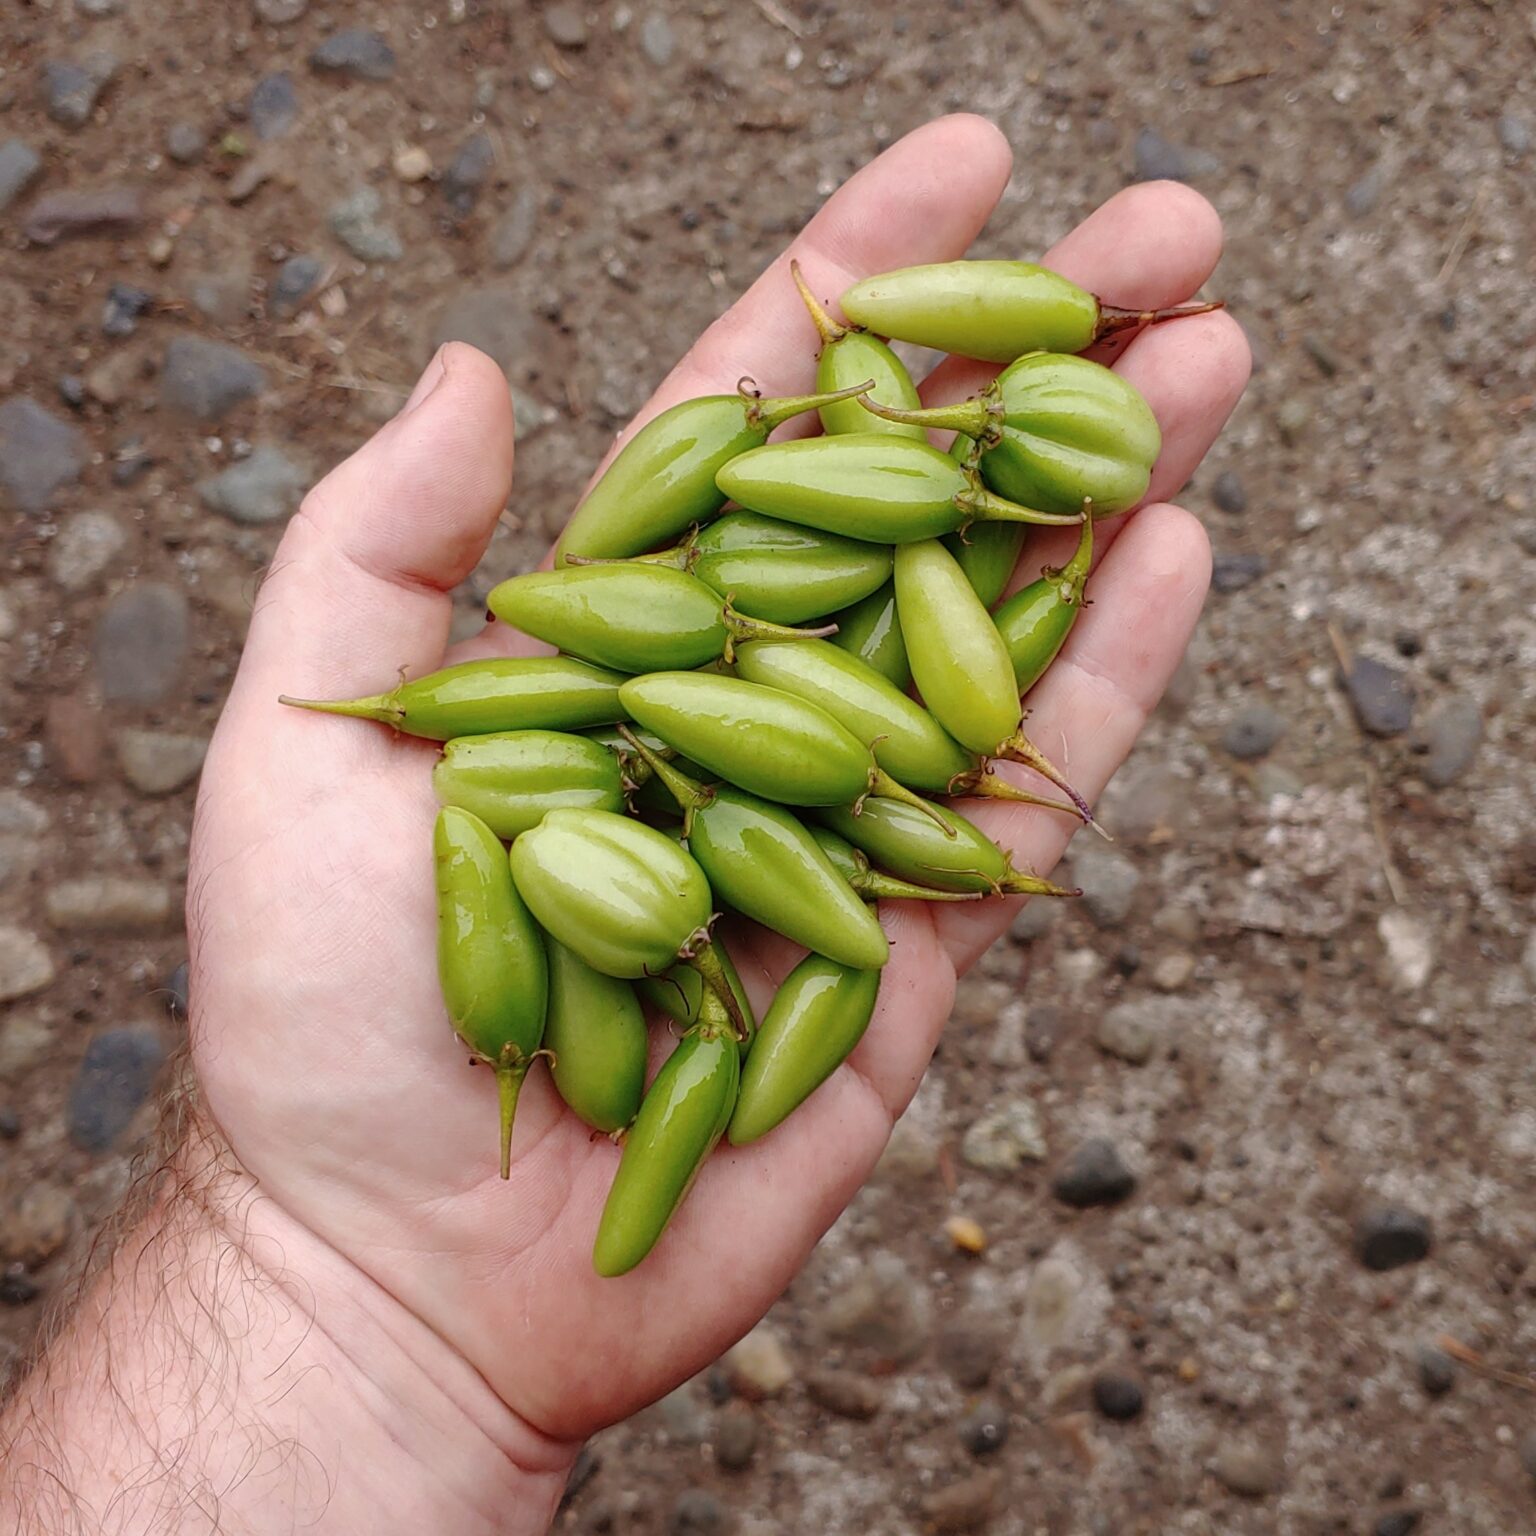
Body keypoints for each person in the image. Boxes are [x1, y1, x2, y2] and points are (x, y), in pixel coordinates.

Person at [0, 115, 1248, 1532]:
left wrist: (337, 1305)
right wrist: (340, 1279)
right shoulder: (664, 764)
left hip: (796, 747)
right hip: (767, 760)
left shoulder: (786, 683)